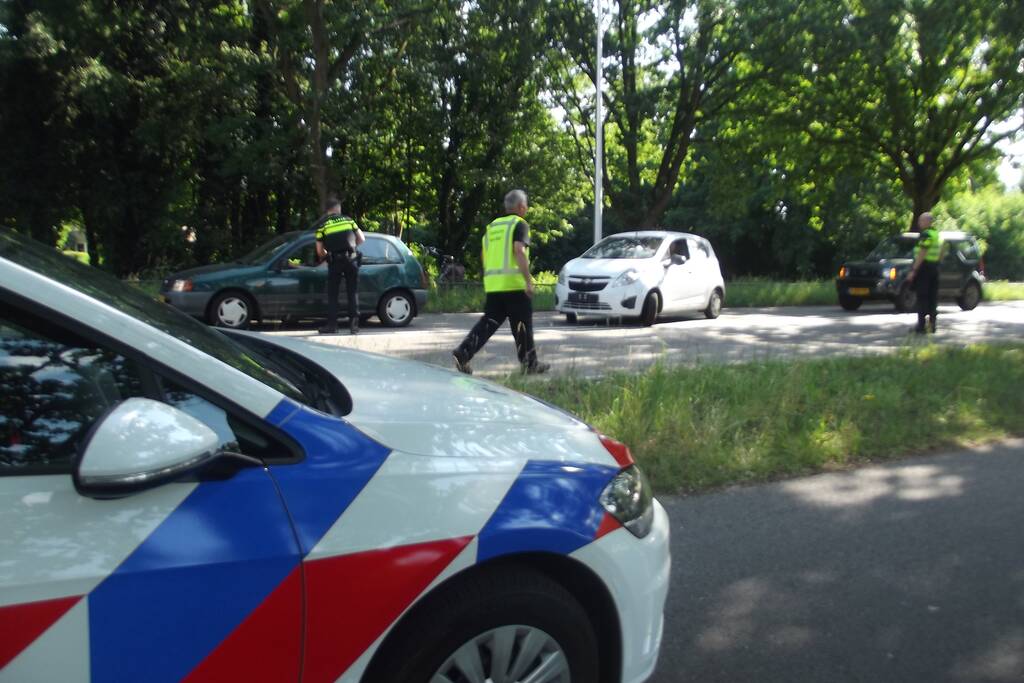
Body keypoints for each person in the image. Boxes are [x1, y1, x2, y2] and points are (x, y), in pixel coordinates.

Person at [452, 189, 549, 375]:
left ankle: (463, 353)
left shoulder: (493, 227)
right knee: (522, 325)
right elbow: (519, 250)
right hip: (514, 285)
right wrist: (528, 280)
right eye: (526, 205)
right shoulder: (520, 224)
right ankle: (530, 364)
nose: (527, 209)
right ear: (521, 207)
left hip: (494, 286)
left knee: (488, 323)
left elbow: (483, 254)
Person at [315, 196, 365, 335]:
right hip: (352, 260)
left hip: (335, 261)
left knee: (333, 294)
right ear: (338, 209)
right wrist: (352, 248)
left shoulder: (323, 226)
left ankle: (332, 326)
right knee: (352, 292)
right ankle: (354, 327)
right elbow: (361, 238)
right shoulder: (349, 220)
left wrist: (327, 254)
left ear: (327, 210)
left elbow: (319, 251)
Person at [905, 211, 942, 334]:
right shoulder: (936, 234)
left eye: (921, 220)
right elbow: (942, 252)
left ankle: (921, 327)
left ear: (927, 222)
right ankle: (932, 325)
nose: (918, 223)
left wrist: (914, 270)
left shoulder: (926, 234)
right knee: (932, 297)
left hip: (924, 268)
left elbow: (922, 252)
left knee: (922, 297)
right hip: (934, 268)